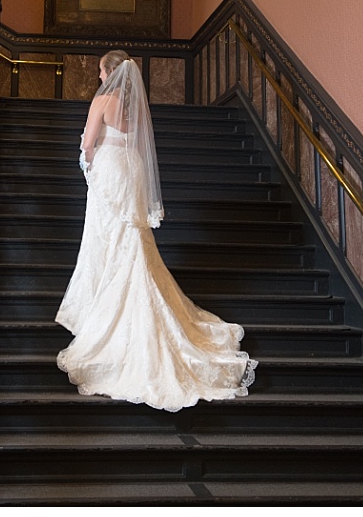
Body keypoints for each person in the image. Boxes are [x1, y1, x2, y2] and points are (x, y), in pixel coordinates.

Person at [56, 50, 256, 411]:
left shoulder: (102, 99)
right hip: (130, 171)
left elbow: (88, 144)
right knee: (131, 237)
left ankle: (104, 312)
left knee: (108, 238)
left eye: (102, 71)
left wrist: (87, 164)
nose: (100, 77)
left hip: (109, 172)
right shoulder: (134, 108)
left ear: (109, 72)